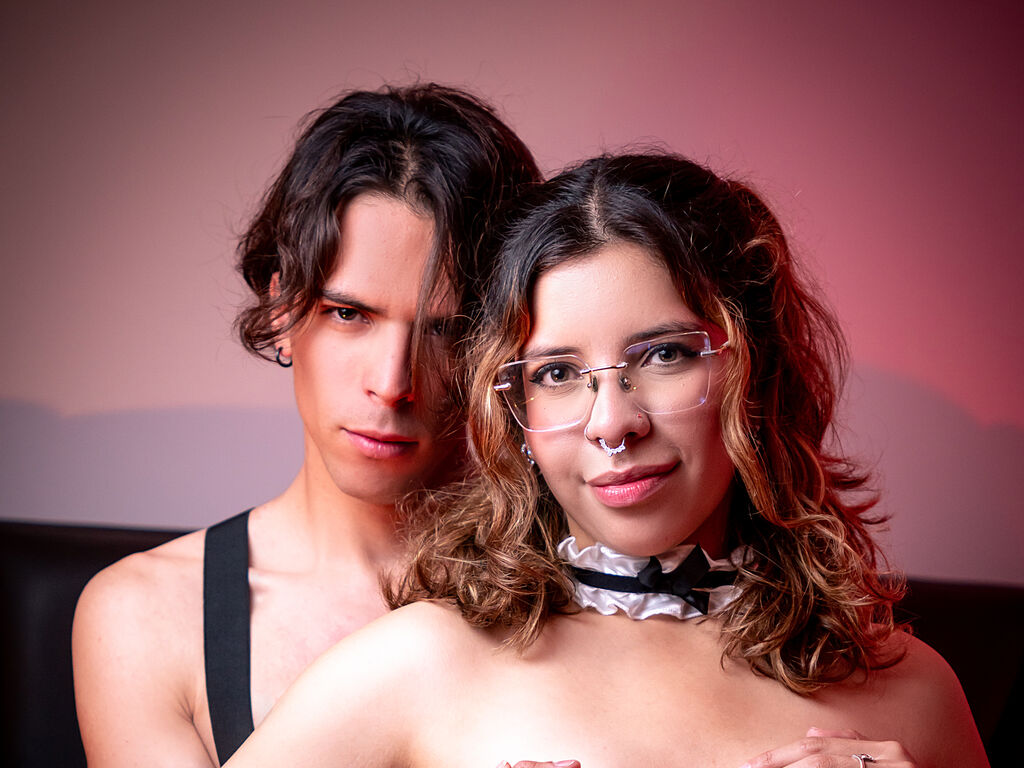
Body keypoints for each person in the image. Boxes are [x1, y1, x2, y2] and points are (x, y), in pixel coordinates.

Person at [222, 153, 989, 768]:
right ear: (514, 415)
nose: (613, 423)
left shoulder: (914, 690)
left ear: (754, 369)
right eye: (557, 372)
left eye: (664, 355)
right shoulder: (413, 665)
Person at [71, 83, 541, 768]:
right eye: (350, 314)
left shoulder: (587, 587)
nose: (393, 381)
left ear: (504, 343)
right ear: (283, 312)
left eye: (446, 330)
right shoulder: (146, 615)